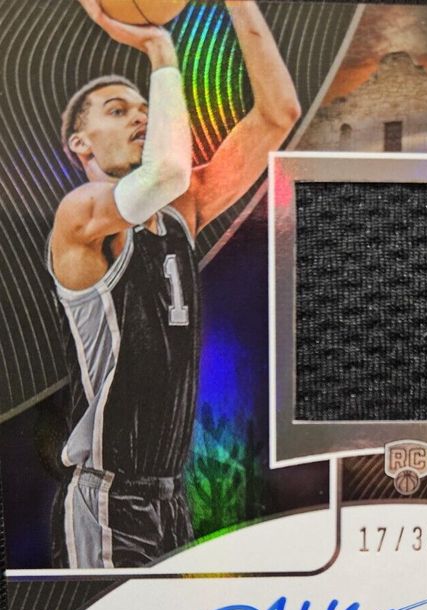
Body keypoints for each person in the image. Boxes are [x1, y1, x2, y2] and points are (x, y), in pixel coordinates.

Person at [49, 0, 301, 569]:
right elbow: (166, 171)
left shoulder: (182, 209)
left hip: (171, 496)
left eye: (147, 108)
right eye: (118, 111)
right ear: (82, 144)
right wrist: (160, 49)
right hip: (108, 498)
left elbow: (279, 112)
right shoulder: (82, 213)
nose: (140, 117)